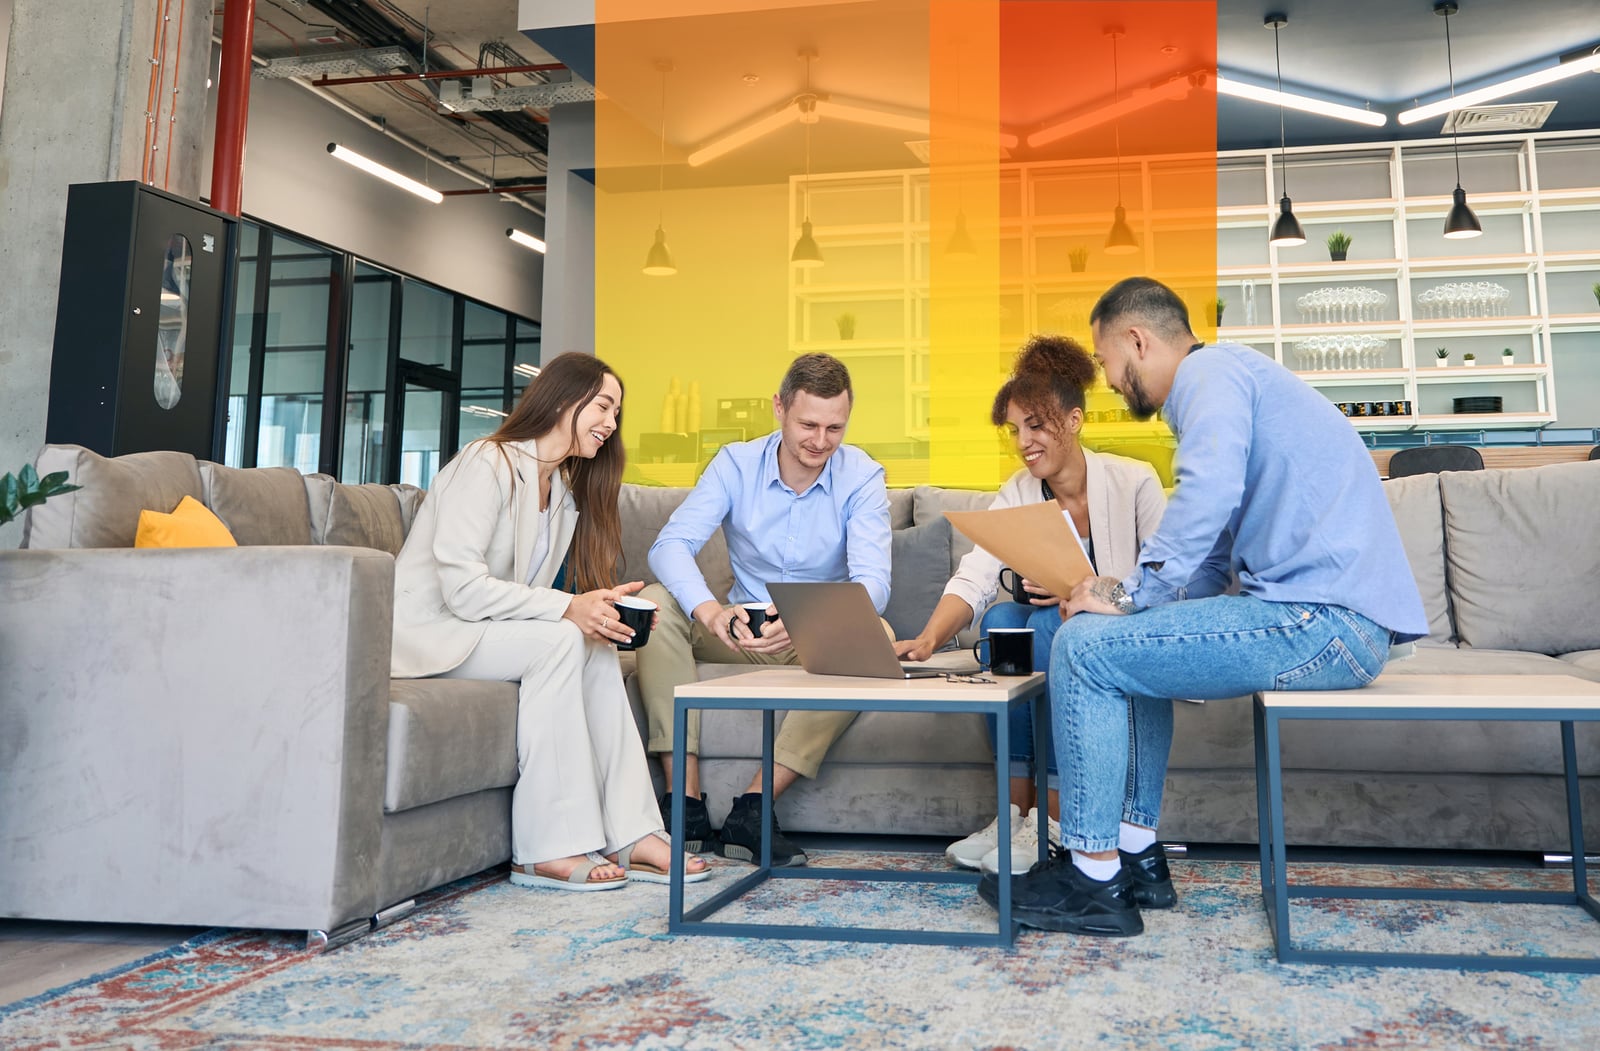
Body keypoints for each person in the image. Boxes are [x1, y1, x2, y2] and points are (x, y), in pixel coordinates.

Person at [980, 277, 1428, 936]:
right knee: (1130, 638)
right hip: (1327, 621)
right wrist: (1129, 604)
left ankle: (1092, 878)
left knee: (1082, 645)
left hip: (1321, 619)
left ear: (1138, 340)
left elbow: (1206, 495)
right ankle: (1136, 855)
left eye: (1106, 361)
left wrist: (1127, 593)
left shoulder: (1209, 375)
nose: (1107, 379)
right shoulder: (1236, 382)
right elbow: (1212, 560)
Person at [391, 352, 710, 891]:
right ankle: (546, 848)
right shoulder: (485, 462)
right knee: (563, 638)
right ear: (563, 399)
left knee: (594, 642)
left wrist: (594, 604)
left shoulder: (560, 491)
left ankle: (632, 833)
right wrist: (568, 608)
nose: (611, 424)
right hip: (431, 633)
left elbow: (527, 593)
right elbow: (463, 589)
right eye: (604, 406)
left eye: (616, 412)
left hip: (480, 629)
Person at [896, 335, 1165, 876]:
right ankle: (1016, 812)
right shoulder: (1020, 489)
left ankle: (1058, 817)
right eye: (1016, 430)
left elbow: (1164, 581)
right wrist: (928, 639)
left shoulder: (1134, 482)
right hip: (1051, 634)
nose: (1024, 442)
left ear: (1073, 420)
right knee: (999, 622)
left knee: (1043, 622)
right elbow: (973, 577)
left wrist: (1085, 589)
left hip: (1119, 638)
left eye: (1036, 426)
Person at [636, 353, 892, 868]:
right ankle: (682, 806)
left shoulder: (862, 476)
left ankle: (752, 809)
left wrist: (806, 619)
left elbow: (873, 585)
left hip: (812, 638)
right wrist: (709, 612)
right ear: (779, 408)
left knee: (877, 632)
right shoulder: (735, 464)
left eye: (834, 428)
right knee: (657, 603)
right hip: (735, 630)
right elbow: (669, 547)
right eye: (808, 425)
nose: (821, 441)